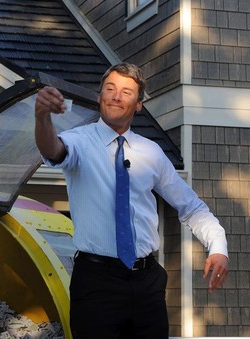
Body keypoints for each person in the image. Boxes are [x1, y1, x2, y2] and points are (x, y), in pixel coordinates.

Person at [34, 63, 228, 339]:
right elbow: (53, 149)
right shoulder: (78, 141)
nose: (116, 96)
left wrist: (218, 246)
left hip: (147, 282)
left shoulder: (152, 152)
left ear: (138, 104)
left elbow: (191, 206)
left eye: (126, 92)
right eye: (110, 89)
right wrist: (42, 118)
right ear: (100, 96)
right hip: (97, 283)